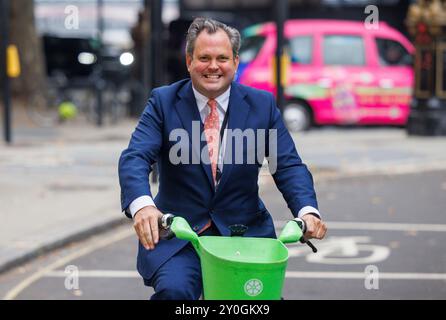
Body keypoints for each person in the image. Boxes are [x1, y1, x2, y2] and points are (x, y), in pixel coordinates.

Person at [118, 17, 327, 300]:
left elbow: (287, 165)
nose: (213, 66)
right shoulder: (163, 102)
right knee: (175, 292)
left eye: (222, 58)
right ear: (189, 60)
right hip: (181, 239)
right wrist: (143, 206)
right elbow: (135, 157)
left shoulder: (262, 105)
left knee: (258, 301)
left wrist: (307, 211)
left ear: (236, 62)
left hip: (245, 238)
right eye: (204, 57)